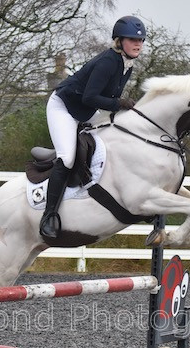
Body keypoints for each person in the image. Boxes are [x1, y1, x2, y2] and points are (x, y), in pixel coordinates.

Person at [40, 15, 146, 238]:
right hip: (64, 108)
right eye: (132, 39)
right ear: (119, 41)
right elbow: (90, 97)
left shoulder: (127, 65)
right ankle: (48, 217)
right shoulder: (108, 62)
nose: (138, 44)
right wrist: (119, 103)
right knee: (67, 158)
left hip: (87, 111)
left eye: (141, 40)